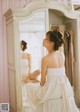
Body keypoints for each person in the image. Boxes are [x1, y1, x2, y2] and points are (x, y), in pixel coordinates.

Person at [26, 31, 79, 112]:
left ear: (51, 43)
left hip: (52, 89)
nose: (43, 39)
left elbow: (43, 80)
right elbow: (62, 73)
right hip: (64, 87)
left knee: (29, 87)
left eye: (46, 38)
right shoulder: (62, 55)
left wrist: (40, 87)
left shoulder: (45, 59)